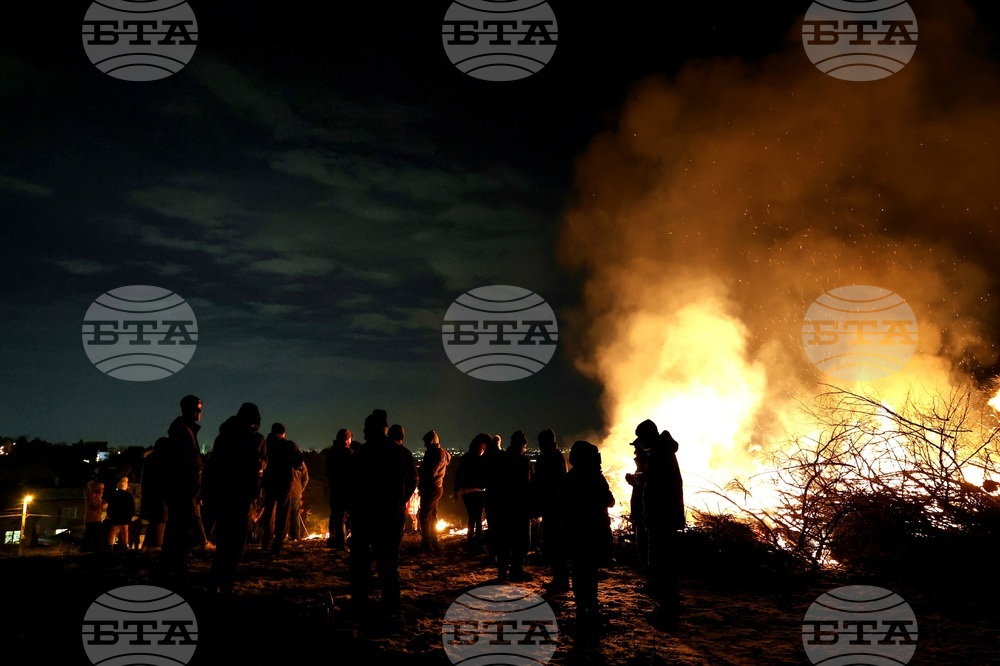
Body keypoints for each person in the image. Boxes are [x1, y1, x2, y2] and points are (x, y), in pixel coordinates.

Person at [347, 409, 418, 615]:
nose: (363, 432)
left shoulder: (363, 453)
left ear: (374, 429)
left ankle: (361, 602)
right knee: (387, 562)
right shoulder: (399, 452)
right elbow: (411, 482)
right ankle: (390, 605)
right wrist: (399, 502)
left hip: (366, 515)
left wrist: (354, 508)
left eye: (366, 428)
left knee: (362, 562)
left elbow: (353, 484)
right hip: (389, 514)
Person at [203, 402, 268, 597]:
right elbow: (251, 470)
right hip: (239, 499)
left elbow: (213, 467)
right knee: (234, 548)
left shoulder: (224, 436)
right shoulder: (248, 438)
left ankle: (214, 585)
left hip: (223, 497)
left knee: (223, 546)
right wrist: (254, 494)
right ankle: (225, 588)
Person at [636, 420, 685, 629]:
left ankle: (667, 610)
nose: (641, 444)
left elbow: (660, 486)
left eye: (642, 438)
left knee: (662, 563)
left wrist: (643, 480)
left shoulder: (660, 453)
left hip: (661, 517)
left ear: (648, 436)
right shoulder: (662, 451)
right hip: (664, 516)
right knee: (664, 563)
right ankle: (667, 606)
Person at [561, 441, 615, 632]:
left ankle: (581, 610)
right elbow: (610, 501)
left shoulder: (570, 477)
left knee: (578, 571)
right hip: (593, 532)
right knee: (590, 573)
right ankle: (591, 609)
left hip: (576, 534)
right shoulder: (595, 478)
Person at [156, 395, 204, 587]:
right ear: (186, 410)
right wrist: (193, 485)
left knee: (178, 530)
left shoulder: (184, 430)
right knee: (181, 530)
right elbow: (185, 464)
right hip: (182, 490)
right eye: (196, 409)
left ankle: (171, 568)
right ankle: (176, 569)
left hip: (184, 489)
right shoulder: (182, 433)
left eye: (200, 409)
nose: (199, 413)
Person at [491, 431, 533, 582]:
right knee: (521, 541)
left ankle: (503, 572)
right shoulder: (523, 461)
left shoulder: (501, 459)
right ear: (522, 445)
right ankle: (515, 570)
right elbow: (528, 485)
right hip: (519, 507)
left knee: (504, 540)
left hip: (503, 506)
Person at [532, 428, 569, 592]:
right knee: (554, 544)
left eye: (541, 442)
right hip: (554, 506)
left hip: (553, 507)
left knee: (554, 544)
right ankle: (560, 578)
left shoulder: (550, 458)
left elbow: (545, 483)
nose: (539, 445)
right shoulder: (555, 457)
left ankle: (560, 580)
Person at [260, 423, 303, 554]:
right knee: (282, 512)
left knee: (269, 512)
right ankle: (278, 542)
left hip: (269, 482)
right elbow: (298, 463)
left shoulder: (265, 444)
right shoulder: (289, 445)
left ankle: (266, 541)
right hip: (285, 481)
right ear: (283, 433)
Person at [454, 434, 489, 554]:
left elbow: (459, 474)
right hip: (472, 492)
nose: (482, 450)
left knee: (475, 518)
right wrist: (457, 489)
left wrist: (457, 489)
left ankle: (473, 542)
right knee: (475, 518)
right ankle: (474, 542)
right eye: (480, 448)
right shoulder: (479, 459)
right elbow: (459, 474)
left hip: (474, 492)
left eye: (483, 448)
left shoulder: (467, 458)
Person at [417, 430, 451, 553]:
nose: (425, 444)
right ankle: (433, 541)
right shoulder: (440, 453)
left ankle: (427, 543)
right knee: (432, 516)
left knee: (424, 516)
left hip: (431, 488)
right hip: (436, 487)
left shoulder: (436, 454)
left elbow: (431, 472)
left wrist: (418, 471)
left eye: (426, 442)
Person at [625, 433, 651, 572]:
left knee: (644, 545)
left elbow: (647, 490)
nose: (634, 452)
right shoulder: (643, 466)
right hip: (643, 513)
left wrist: (634, 482)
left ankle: (652, 579)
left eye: (636, 448)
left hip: (645, 513)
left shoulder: (647, 465)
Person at [325, 429, 354, 550]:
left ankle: (335, 540)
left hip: (334, 487)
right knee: (346, 516)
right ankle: (343, 542)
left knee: (336, 515)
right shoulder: (349, 453)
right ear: (347, 439)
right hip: (347, 488)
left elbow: (328, 471)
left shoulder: (331, 453)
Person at [106, 477, 136, 550]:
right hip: (125, 515)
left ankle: (110, 545)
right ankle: (125, 544)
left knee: (113, 529)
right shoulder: (128, 496)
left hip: (115, 515)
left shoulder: (114, 495)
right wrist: (131, 515)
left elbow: (110, 505)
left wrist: (109, 513)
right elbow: (131, 506)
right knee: (125, 529)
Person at [81, 480, 106, 552]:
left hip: (96, 518)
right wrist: (102, 506)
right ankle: (86, 549)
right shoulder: (91, 495)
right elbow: (92, 507)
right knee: (90, 535)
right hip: (92, 518)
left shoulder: (98, 496)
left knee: (95, 535)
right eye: (101, 488)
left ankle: (94, 549)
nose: (102, 490)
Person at [289, 459, 309, 541]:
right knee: (294, 513)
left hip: (286, 490)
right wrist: (300, 489)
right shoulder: (300, 462)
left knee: (284, 512)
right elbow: (306, 477)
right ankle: (295, 535)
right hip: (295, 490)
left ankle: (282, 535)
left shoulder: (279, 456)